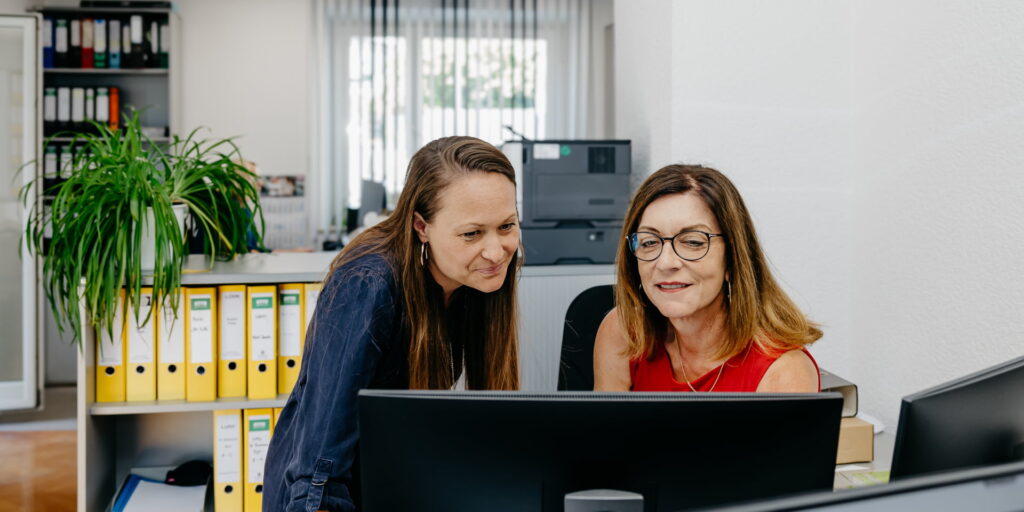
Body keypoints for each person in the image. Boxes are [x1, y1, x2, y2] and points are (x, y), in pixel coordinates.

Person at [263, 136, 522, 512]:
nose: (497, 251)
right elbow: (320, 467)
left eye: (507, 226)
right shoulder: (367, 286)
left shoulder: (478, 274)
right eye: (472, 233)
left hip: (394, 479)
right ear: (421, 227)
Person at [594, 164, 822, 392]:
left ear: (732, 259)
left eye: (693, 242)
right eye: (649, 242)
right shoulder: (623, 332)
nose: (665, 263)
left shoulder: (784, 372)